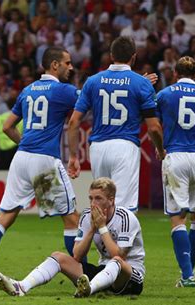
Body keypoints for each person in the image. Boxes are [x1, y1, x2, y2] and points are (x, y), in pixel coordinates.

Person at [0, 47, 81, 285]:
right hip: (45, 160)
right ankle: (80, 274)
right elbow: (91, 102)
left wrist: (27, 143)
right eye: (67, 63)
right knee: (71, 219)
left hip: (21, 158)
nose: (71, 67)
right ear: (54, 65)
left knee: (6, 215)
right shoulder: (64, 91)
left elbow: (8, 126)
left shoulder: (27, 91)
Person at [0, 177, 145, 298]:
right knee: (58, 257)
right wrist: (92, 229)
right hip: (103, 274)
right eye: (90, 198)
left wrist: (102, 227)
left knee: (117, 261)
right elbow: (77, 255)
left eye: (98, 198)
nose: (93, 203)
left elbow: (119, 255)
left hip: (129, 277)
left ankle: (89, 288)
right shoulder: (87, 216)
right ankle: (21, 287)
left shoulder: (126, 218)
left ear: (111, 200)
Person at [67, 36, 166, 213]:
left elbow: (74, 121)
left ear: (111, 55)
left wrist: (73, 156)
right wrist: (160, 148)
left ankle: (102, 240)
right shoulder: (141, 84)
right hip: (124, 147)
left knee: (101, 203)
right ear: (134, 57)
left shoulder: (92, 81)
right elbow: (154, 127)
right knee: (123, 208)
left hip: (98, 148)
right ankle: (120, 241)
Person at [156, 56, 195, 287]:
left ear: (174, 74)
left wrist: (160, 150)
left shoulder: (165, 94)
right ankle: (190, 271)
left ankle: (187, 275)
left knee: (178, 218)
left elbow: (154, 125)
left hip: (175, 155)